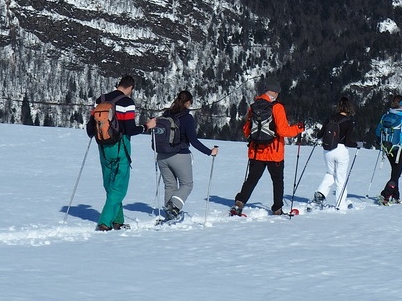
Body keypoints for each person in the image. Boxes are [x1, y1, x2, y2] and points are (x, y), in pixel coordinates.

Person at [86, 75, 156, 231]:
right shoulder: (127, 102)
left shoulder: (101, 99)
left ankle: (118, 220)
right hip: (120, 146)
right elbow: (130, 129)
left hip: (103, 146)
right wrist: (146, 127)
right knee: (119, 186)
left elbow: (91, 127)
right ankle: (104, 223)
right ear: (130, 87)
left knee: (110, 184)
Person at [230, 78, 304, 216]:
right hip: (274, 152)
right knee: (277, 181)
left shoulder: (254, 106)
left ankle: (239, 203)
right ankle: (277, 209)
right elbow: (283, 131)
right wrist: (298, 129)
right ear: (276, 92)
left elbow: (246, 130)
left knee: (252, 179)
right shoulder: (277, 107)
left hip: (256, 151)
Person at [153, 90, 219, 221]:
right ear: (188, 103)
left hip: (161, 155)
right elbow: (193, 141)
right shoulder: (187, 118)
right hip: (180, 155)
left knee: (170, 185)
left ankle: (170, 213)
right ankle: (174, 207)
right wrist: (209, 152)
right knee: (187, 184)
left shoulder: (166, 114)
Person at [311, 97, 357, 210]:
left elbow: (319, 135)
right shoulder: (348, 122)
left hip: (328, 150)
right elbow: (348, 142)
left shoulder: (330, 118)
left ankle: (320, 194)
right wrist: (357, 145)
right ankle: (340, 203)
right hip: (341, 151)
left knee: (330, 173)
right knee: (341, 178)